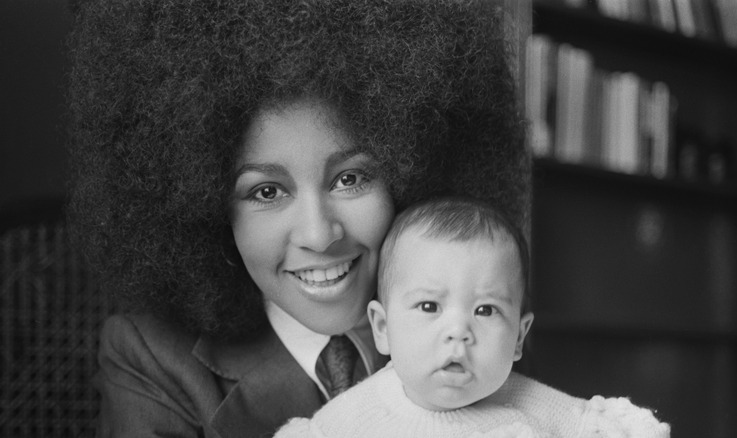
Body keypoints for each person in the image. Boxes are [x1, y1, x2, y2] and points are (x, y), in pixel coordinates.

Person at [66, 1, 529, 437]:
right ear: (202, 207)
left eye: (350, 178)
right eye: (266, 192)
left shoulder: (468, 319)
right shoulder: (152, 361)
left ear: (412, 169)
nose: (319, 234)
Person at [275, 197, 671, 438]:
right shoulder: (353, 420)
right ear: (383, 328)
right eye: (429, 307)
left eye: (485, 310)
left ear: (518, 336)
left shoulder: (538, 407)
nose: (459, 332)